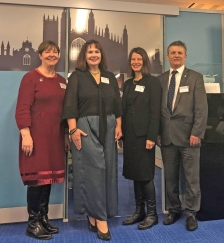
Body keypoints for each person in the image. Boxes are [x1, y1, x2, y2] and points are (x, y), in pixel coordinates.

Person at [62, 39, 122, 241]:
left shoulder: (109, 77)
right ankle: (100, 218)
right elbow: (70, 104)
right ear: (84, 56)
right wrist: (73, 130)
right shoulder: (77, 77)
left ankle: (94, 213)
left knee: (109, 170)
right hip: (85, 127)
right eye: (89, 52)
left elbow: (117, 104)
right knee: (93, 169)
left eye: (97, 51)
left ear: (101, 55)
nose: (94, 55)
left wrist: (119, 126)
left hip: (110, 126)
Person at [15, 40, 70, 240]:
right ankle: (32, 223)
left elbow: (66, 111)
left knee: (48, 178)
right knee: (36, 180)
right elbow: (22, 108)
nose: (52, 55)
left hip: (55, 137)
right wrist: (26, 134)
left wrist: (65, 135)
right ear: (40, 55)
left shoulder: (62, 81)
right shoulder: (30, 78)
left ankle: (43, 219)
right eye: (47, 52)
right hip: (35, 137)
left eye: (55, 52)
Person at [157, 40, 207, 231]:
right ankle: (173, 210)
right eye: (173, 52)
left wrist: (197, 132)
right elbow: (157, 110)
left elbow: (201, 109)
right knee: (170, 178)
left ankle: (191, 213)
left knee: (191, 178)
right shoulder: (161, 80)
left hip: (189, 138)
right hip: (167, 138)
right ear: (168, 56)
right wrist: (158, 134)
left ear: (185, 56)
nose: (176, 55)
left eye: (180, 52)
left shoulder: (195, 78)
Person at [120, 47, 161, 230]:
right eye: (133, 59)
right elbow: (124, 109)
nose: (135, 62)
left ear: (144, 61)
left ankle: (152, 214)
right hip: (130, 136)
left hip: (145, 137)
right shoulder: (127, 84)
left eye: (139, 59)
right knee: (135, 175)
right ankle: (139, 211)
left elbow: (155, 112)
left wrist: (152, 136)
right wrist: (121, 133)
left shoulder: (152, 82)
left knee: (145, 176)